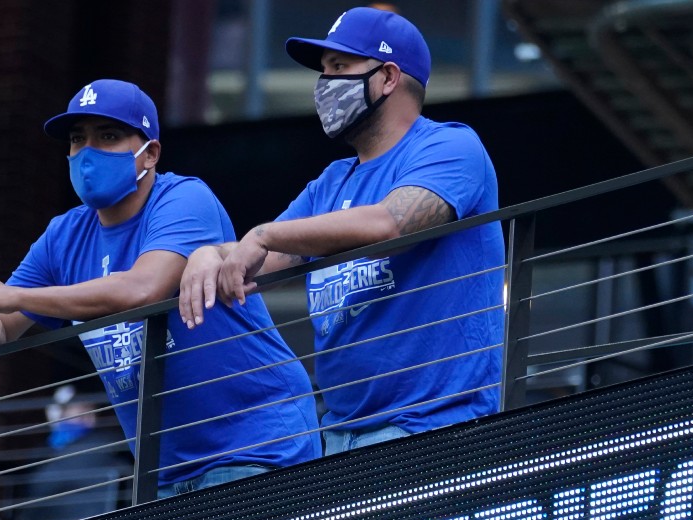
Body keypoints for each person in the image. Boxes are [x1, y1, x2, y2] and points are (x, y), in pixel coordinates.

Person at [0, 79, 321, 498]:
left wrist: (12, 296)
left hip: (257, 444)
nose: (88, 153)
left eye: (108, 136)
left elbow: (144, 289)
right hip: (167, 471)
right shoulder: (63, 235)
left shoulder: (183, 198)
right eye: (77, 139)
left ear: (150, 153)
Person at [178, 6, 505, 455]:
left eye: (340, 67)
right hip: (340, 435)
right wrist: (209, 253)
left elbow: (389, 224)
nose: (325, 84)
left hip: (432, 426)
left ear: (388, 77)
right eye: (324, 71)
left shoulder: (450, 145)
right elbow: (263, 258)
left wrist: (263, 235)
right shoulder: (331, 182)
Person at [12, 384, 133, 520]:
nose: (88, 414)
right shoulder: (40, 455)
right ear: (60, 413)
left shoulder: (105, 443)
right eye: (80, 410)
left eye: (90, 409)